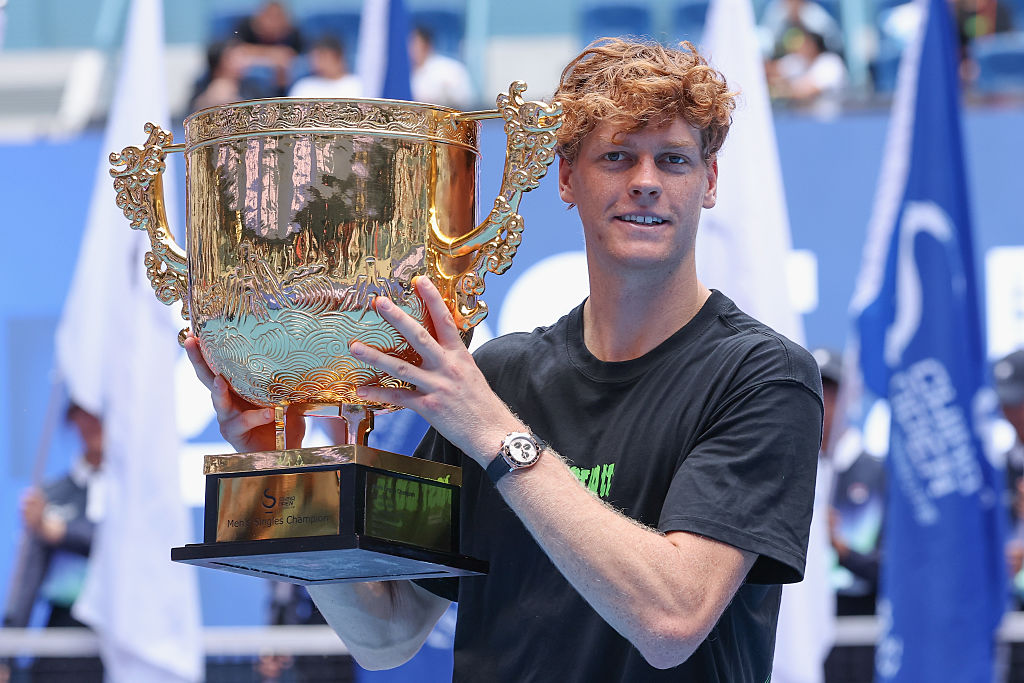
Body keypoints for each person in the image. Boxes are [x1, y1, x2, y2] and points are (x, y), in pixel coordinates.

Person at [186, 38, 823, 680]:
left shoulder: (762, 376)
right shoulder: (501, 375)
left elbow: (673, 619)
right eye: (618, 156)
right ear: (568, 178)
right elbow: (388, 634)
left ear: (709, 182)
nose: (647, 183)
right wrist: (289, 466)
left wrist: (495, 433)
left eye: (675, 160)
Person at [2, 404, 105, 681]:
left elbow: (130, 545)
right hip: (64, 637)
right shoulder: (50, 495)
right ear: (73, 418)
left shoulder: (136, 495)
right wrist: (6, 654)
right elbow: (27, 578)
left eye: (104, 414)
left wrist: (60, 532)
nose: (96, 424)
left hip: (126, 629)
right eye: (88, 414)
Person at [767, 27, 848, 119]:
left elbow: (807, 91)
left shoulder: (830, 62)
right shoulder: (798, 60)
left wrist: (776, 89)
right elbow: (771, 69)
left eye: (803, 44)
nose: (799, 47)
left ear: (813, 46)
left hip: (831, 120)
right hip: (802, 120)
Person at [408, 25, 474, 109]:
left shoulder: (450, 69)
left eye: (413, 43)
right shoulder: (406, 73)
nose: (409, 48)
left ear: (426, 45)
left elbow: (464, 101)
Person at [289, 36, 363, 99]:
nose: (318, 63)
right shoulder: (303, 86)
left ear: (339, 58)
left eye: (323, 57)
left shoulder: (357, 85)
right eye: (315, 58)